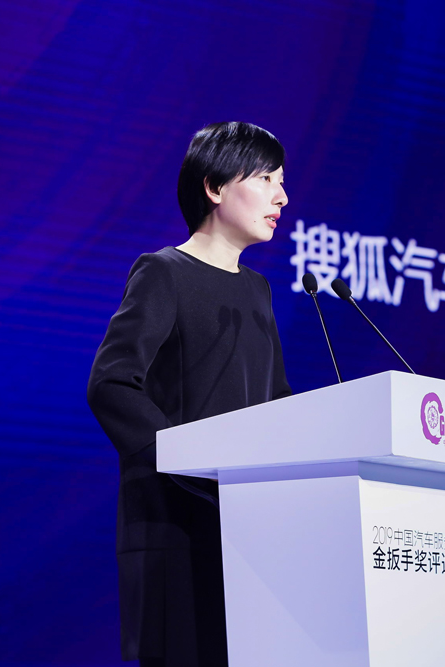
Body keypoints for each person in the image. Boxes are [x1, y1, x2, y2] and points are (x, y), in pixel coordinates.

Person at [87, 121, 293, 666]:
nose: (282, 197)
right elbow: (111, 383)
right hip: (176, 522)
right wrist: (187, 460)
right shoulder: (164, 272)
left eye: (282, 181)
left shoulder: (257, 290)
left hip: (249, 527)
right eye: (267, 178)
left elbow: (277, 401)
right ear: (215, 186)